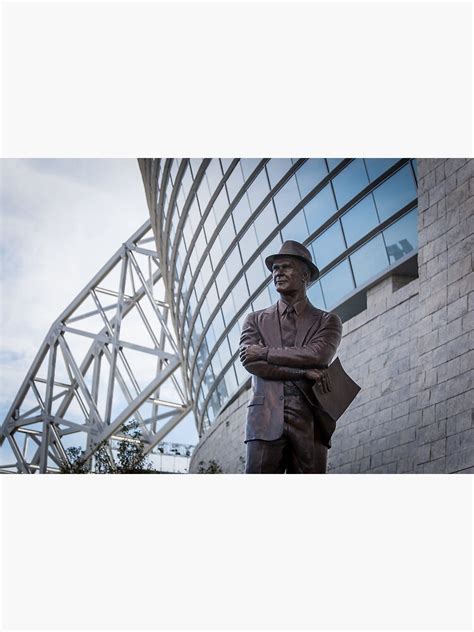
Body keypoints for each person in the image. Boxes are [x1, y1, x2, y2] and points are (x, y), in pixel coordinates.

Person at [239, 240, 343, 473]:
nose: (278, 273)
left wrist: (264, 352)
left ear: (305, 275)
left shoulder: (327, 321)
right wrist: (302, 372)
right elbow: (251, 362)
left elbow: (318, 354)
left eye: (286, 267)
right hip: (264, 418)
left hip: (311, 419)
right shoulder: (254, 320)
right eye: (275, 268)